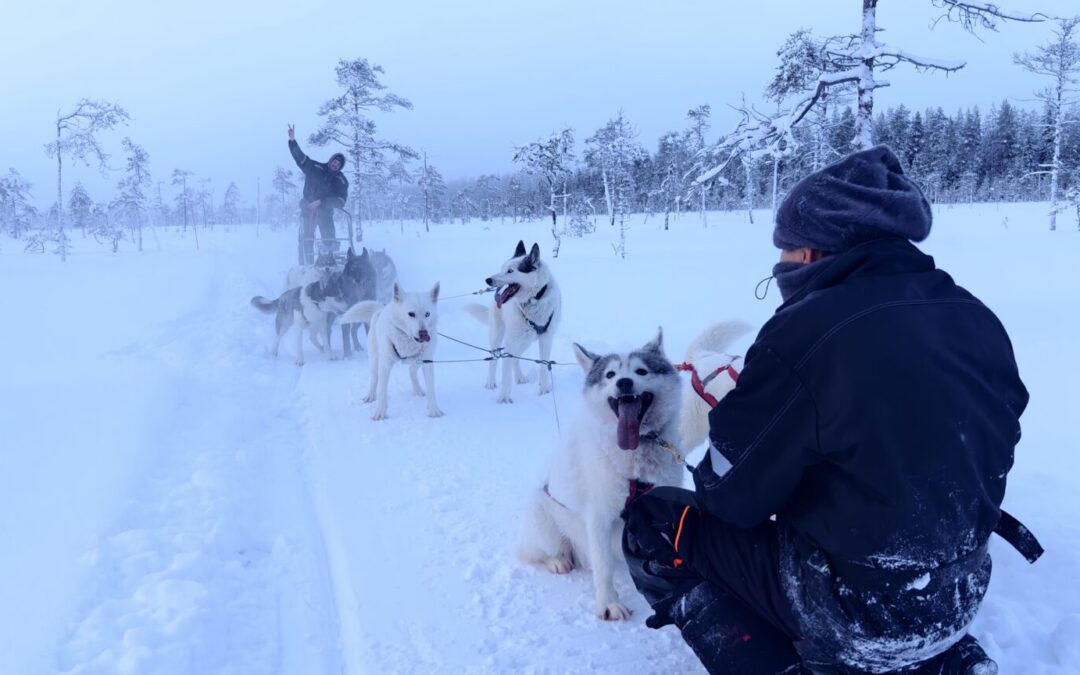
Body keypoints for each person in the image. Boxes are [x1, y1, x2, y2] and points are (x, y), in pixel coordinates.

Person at [621, 146, 1041, 674]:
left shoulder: (804, 334)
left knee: (653, 519)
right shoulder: (975, 315)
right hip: (958, 592)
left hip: (856, 609)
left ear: (815, 250)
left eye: (786, 249)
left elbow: (728, 499)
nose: (780, 265)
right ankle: (939, 659)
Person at [288, 124, 349, 264]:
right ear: (331, 160)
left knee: (329, 241)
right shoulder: (315, 168)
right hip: (308, 209)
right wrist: (292, 141)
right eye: (334, 162)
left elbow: (340, 201)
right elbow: (301, 158)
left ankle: (330, 266)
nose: (335, 165)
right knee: (306, 240)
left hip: (325, 212)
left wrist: (322, 202)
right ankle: (305, 267)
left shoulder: (341, 181)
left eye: (338, 165)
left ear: (340, 168)